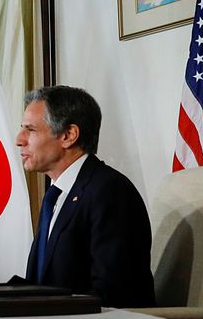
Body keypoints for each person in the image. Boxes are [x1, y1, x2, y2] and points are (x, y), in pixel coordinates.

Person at [16, 85, 155, 307]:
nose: (19, 140)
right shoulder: (56, 195)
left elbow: (114, 293)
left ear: (68, 135)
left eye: (30, 130)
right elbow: (44, 284)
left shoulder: (110, 192)